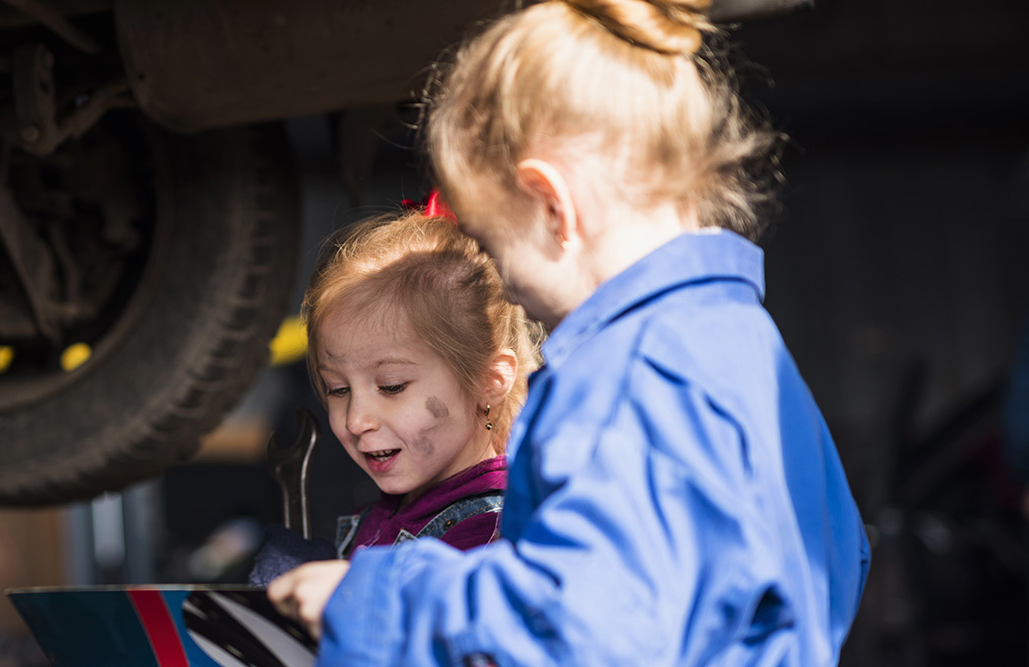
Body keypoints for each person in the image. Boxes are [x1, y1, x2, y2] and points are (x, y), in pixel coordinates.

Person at [268, 0, 871, 664]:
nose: (501, 280)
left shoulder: (626, 377)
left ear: (552, 205)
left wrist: (372, 598)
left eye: (491, 242)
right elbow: (840, 564)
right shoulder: (749, 351)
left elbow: (582, 625)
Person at [249, 210, 540, 586]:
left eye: (391, 386)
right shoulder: (390, 512)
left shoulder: (491, 540)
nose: (356, 420)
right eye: (339, 389)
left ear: (490, 379)